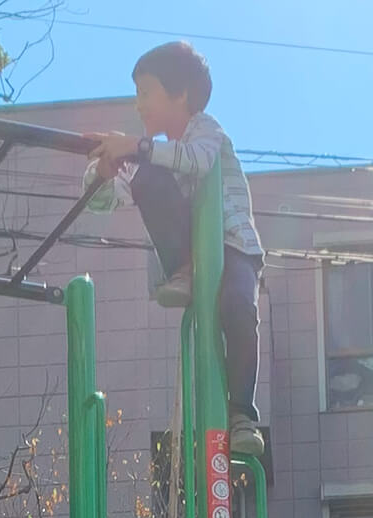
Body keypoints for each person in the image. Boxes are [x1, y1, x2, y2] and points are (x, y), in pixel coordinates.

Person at [83, 42, 266, 458]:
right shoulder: (151, 154)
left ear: (180, 94)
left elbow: (198, 161)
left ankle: (241, 413)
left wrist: (136, 147)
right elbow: (104, 200)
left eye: (146, 92)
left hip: (235, 247)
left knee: (239, 306)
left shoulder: (206, 129)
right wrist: (102, 171)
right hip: (194, 251)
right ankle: (183, 269)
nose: (138, 105)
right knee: (147, 178)